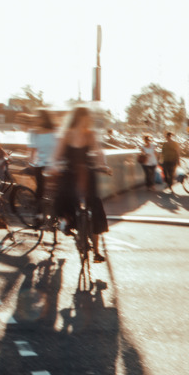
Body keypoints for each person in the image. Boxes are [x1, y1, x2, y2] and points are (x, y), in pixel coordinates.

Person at [51, 106, 110, 262]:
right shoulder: (66, 136)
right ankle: (66, 222)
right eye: (84, 118)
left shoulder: (90, 135)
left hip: (87, 173)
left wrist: (103, 165)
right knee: (63, 198)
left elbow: (98, 152)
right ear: (77, 119)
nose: (86, 121)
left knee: (95, 208)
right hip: (70, 173)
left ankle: (96, 252)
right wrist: (54, 166)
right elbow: (56, 156)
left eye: (87, 119)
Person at [27, 110, 58, 207]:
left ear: (44, 118)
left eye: (39, 117)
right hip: (41, 164)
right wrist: (30, 162)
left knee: (58, 190)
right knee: (40, 188)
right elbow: (32, 150)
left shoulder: (55, 131)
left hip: (53, 165)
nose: (37, 119)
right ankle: (38, 214)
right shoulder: (33, 132)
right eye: (36, 117)